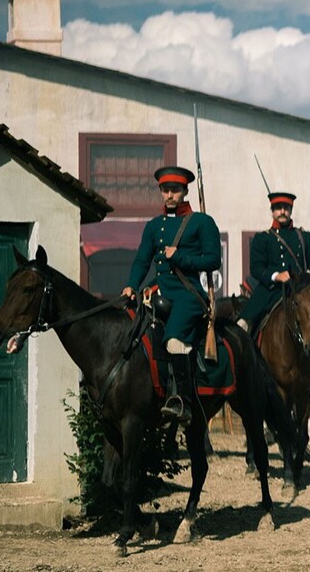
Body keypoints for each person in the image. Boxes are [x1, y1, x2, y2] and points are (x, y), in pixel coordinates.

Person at [123, 166, 222, 426]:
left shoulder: (202, 222)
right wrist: (132, 285)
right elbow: (142, 260)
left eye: (175, 190)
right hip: (158, 292)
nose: (169, 195)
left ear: (185, 191)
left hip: (188, 295)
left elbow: (213, 259)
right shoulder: (154, 226)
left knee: (175, 340)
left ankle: (182, 403)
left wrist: (179, 256)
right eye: (165, 190)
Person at [238, 191, 310, 334]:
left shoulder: (304, 237)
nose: (282, 211)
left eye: (286, 208)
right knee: (242, 324)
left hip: (299, 291)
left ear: (291, 210)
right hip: (270, 290)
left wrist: (307, 277)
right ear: (272, 211)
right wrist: (276, 276)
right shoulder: (263, 238)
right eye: (278, 207)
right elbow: (256, 268)